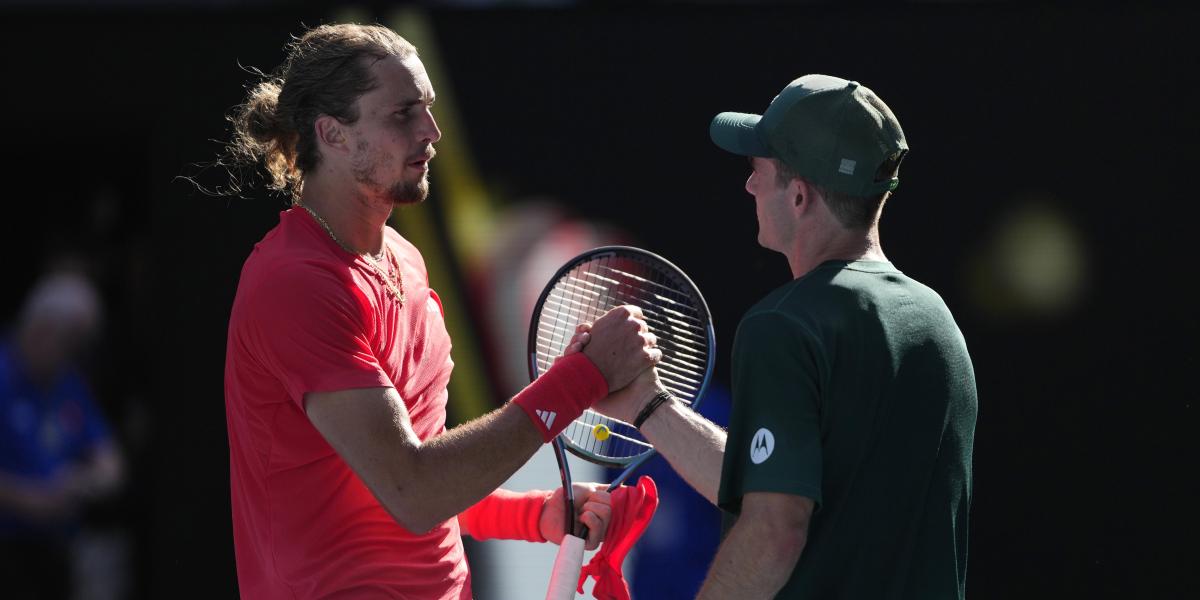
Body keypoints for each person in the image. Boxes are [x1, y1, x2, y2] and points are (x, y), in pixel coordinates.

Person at [220, 23, 660, 599]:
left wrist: (535, 516)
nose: (431, 131)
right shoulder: (293, 283)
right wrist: (581, 379)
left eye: (427, 109)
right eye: (403, 114)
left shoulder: (406, 262)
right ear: (332, 134)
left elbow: (429, 477)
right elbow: (413, 490)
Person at [593, 74, 978, 598]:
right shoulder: (935, 321)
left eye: (759, 170)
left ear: (799, 196)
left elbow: (774, 530)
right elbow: (784, 484)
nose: (748, 185)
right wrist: (646, 403)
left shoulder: (784, 325)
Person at [0, 268, 125, 600]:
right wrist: (31, 499)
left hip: (57, 549)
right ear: (42, 328)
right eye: (70, 342)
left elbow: (111, 462)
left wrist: (84, 481)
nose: (73, 355)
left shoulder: (67, 382)